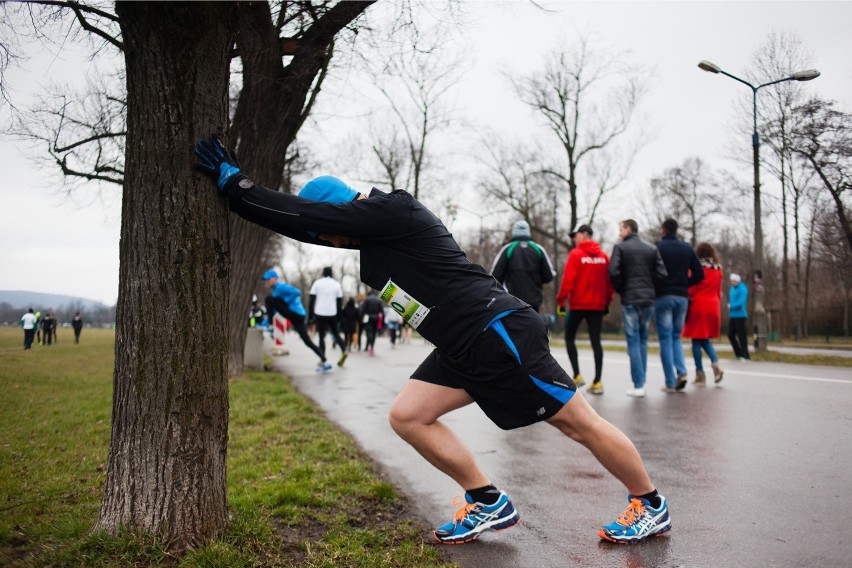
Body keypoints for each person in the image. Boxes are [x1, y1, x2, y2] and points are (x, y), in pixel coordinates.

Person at [195, 133, 671, 545]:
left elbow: (299, 214)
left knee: (577, 424)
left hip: (496, 331)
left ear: (340, 210)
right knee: (408, 415)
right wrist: (248, 200)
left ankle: (650, 504)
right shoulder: (369, 247)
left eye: (328, 231)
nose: (328, 241)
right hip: (461, 347)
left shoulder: (391, 209)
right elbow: (302, 221)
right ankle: (488, 501)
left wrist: (240, 188)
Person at [609, 219, 668, 398]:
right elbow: (662, 274)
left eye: (621, 229)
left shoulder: (620, 248)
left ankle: (638, 384)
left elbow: (613, 271)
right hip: (648, 299)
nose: (619, 233)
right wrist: (651, 288)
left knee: (633, 340)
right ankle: (642, 382)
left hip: (631, 299)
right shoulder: (651, 248)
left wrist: (621, 289)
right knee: (642, 340)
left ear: (629, 228)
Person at [555, 224, 613, 395]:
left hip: (579, 305)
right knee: (596, 341)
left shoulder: (576, 254)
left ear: (585, 235)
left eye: (576, 235)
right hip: (597, 306)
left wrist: (561, 302)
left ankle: (578, 375)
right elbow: (609, 283)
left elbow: (568, 280)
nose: (574, 238)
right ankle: (598, 382)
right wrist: (607, 303)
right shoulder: (603, 256)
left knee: (569, 337)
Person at [654, 219, 704, 393]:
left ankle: (669, 382)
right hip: (682, 298)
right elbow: (700, 274)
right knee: (676, 337)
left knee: (665, 339)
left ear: (664, 230)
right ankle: (681, 372)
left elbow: (653, 271)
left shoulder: (658, 248)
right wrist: (685, 284)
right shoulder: (687, 248)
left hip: (663, 297)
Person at [260, 268, 332, 373]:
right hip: (296, 316)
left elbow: (297, 292)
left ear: (275, 279)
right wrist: (263, 323)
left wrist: (286, 302)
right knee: (307, 341)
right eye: (266, 280)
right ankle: (325, 361)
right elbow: (274, 311)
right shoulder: (276, 291)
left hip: (295, 313)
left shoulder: (280, 286)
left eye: (268, 279)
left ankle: (271, 327)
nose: (266, 282)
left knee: (268, 299)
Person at [490, 220, 556, 313]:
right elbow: (548, 276)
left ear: (514, 232)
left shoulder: (508, 249)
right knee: (532, 326)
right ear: (528, 231)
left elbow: (495, 276)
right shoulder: (538, 249)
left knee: (513, 326)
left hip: (511, 302)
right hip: (534, 302)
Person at [682, 243, 724, 385]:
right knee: (705, 339)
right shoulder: (718, 269)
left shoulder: (697, 267)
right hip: (714, 305)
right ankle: (715, 364)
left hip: (699, 305)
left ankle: (700, 375)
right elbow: (719, 290)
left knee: (696, 340)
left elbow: (692, 288)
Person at [309, 266, 349, 367]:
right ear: (331, 273)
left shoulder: (317, 283)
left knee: (321, 336)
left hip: (320, 313)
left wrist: (310, 316)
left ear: (323, 273)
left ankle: (323, 358)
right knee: (336, 334)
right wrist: (340, 317)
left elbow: (311, 301)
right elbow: (339, 303)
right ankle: (344, 349)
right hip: (332, 313)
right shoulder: (336, 285)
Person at [727, 273, 750, 361]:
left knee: (742, 335)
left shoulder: (742, 289)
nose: (733, 283)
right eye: (732, 281)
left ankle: (745, 355)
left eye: (734, 281)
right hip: (732, 315)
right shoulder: (732, 289)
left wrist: (731, 306)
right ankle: (738, 353)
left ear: (738, 281)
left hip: (740, 315)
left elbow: (741, 302)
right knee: (730, 334)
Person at [359, 291, 383, 356]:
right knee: (374, 332)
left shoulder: (366, 300)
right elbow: (382, 311)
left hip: (368, 318)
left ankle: (370, 343)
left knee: (369, 332)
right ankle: (372, 347)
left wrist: (361, 319)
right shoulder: (378, 300)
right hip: (376, 318)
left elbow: (363, 310)